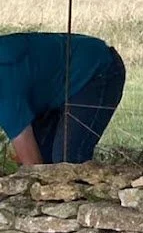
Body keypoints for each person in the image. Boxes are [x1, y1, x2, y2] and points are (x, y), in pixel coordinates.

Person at [0, 32, 125, 164]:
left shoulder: (5, 91)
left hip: (96, 70)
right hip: (55, 85)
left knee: (66, 160)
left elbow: (33, 165)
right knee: (46, 158)